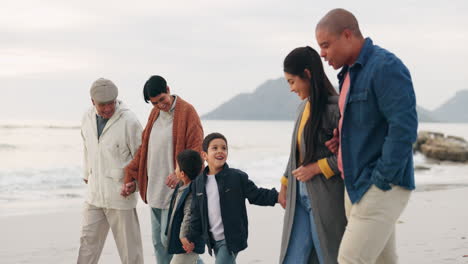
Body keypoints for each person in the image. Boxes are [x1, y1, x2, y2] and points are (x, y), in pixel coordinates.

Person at [315, 8, 418, 264]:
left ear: (347, 35)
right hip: (355, 185)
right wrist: (343, 138)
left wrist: (382, 179)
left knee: (350, 259)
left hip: (378, 185)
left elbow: (403, 128)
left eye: (326, 45)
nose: (322, 53)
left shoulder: (385, 67)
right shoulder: (349, 74)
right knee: (384, 261)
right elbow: (368, 125)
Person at [122, 75, 204, 264]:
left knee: (172, 242)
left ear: (168, 89)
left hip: (176, 190)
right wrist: (130, 175)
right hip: (155, 189)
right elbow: (144, 148)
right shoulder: (155, 114)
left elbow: (197, 148)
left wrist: (180, 173)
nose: (160, 105)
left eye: (162, 100)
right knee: (159, 243)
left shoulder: (187, 112)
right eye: (154, 103)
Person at [278, 47, 346, 264]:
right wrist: (285, 183)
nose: (290, 88)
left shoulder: (335, 109)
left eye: (292, 81)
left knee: (328, 257)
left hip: (325, 197)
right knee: (293, 258)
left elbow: (349, 157)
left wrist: (317, 168)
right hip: (298, 198)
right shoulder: (302, 109)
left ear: (307, 74)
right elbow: (295, 154)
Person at [78, 78, 144, 264]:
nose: (107, 109)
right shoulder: (87, 117)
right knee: (87, 246)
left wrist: (136, 184)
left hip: (121, 195)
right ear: (92, 102)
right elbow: (87, 147)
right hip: (94, 195)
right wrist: (86, 174)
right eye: (102, 105)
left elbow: (142, 157)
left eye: (111, 104)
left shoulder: (129, 121)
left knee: (131, 252)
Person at [186, 132, 279, 264]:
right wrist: (191, 238)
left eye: (224, 148)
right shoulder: (198, 183)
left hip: (231, 240)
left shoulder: (236, 177)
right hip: (213, 240)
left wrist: (278, 197)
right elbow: (196, 214)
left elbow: (257, 195)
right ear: (204, 155)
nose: (220, 151)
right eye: (215, 148)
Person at [165, 149, 205, 264]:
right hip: (183, 243)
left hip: (187, 243)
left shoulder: (191, 192)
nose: (175, 170)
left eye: (177, 167)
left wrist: (183, 237)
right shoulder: (182, 187)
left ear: (182, 174)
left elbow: (189, 215)